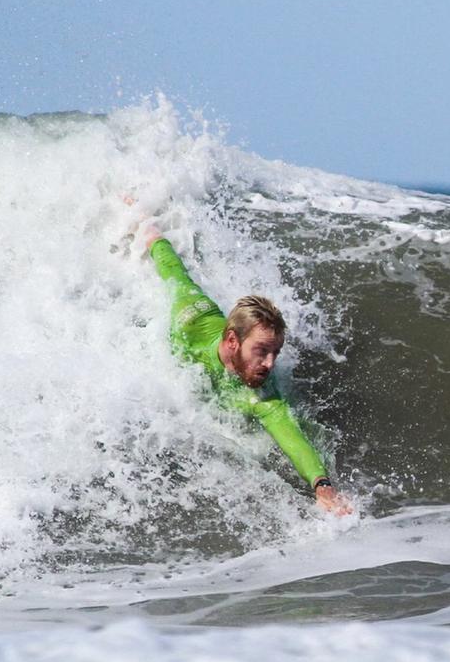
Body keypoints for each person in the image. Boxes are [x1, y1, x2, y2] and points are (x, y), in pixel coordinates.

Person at [134, 216, 351, 515]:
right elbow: (173, 269)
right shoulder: (191, 316)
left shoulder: (263, 392)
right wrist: (147, 229)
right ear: (233, 341)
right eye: (261, 351)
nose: (270, 364)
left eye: (276, 352)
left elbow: (287, 431)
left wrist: (322, 484)